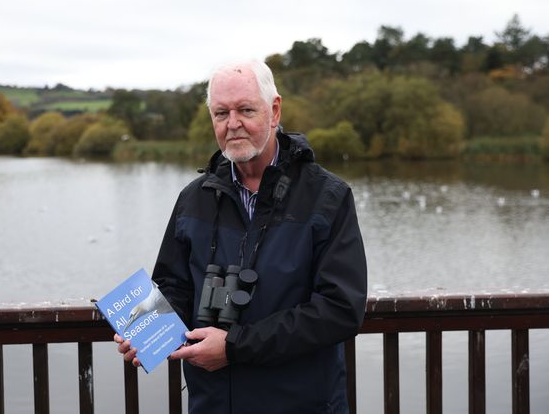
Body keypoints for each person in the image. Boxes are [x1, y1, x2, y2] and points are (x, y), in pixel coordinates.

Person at [115, 60, 367, 413]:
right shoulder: (194, 198)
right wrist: (145, 331)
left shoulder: (327, 197)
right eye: (221, 113)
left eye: (245, 110)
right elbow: (174, 285)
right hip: (214, 404)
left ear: (274, 110)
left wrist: (235, 346)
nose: (232, 124)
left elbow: (340, 309)